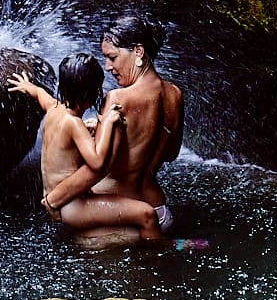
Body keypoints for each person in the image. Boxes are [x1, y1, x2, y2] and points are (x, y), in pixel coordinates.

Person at [42, 15, 184, 237]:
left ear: (138, 51)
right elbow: (171, 153)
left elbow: (100, 166)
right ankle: (188, 245)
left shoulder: (118, 99)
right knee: (162, 252)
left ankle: (181, 247)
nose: (108, 67)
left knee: (80, 251)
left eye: (112, 57)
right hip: (159, 211)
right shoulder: (175, 94)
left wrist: (55, 199)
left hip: (124, 216)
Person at [8, 53, 163, 240]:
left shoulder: (53, 109)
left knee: (134, 221)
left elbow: (40, 95)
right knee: (147, 215)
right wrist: (107, 123)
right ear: (90, 94)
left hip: (62, 200)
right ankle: (163, 253)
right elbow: (97, 162)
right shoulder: (74, 124)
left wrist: (28, 87)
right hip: (71, 205)